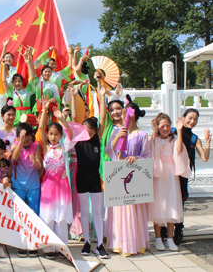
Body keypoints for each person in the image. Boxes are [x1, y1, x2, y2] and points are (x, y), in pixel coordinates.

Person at [105, 96, 151, 257]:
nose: (121, 114)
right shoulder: (117, 131)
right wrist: (117, 137)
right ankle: (118, 243)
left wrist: (136, 158)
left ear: (133, 115)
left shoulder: (142, 135)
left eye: (124, 112)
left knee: (133, 211)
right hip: (119, 175)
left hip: (134, 178)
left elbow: (147, 156)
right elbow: (109, 151)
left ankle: (135, 243)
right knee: (119, 211)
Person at [38, 99, 78, 260]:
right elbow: (41, 127)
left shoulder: (65, 148)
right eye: (51, 134)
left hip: (62, 188)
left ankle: (62, 247)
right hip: (48, 187)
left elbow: (72, 133)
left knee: (61, 218)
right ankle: (48, 247)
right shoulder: (46, 148)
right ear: (47, 136)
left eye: (56, 134)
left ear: (60, 135)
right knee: (47, 216)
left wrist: (61, 118)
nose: (53, 137)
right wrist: (45, 110)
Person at [74, 84, 109, 259]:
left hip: (95, 179)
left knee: (97, 212)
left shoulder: (97, 139)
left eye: (91, 131)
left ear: (96, 131)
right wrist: (73, 97)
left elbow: (102, 116)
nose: (88, 133)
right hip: (81, 179)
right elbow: (73, 117)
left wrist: (102, 97)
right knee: (84, 212)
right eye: (85, 130)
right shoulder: (78, 139)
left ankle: (100, 244)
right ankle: (87, 242)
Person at [149, 113, 191, 252]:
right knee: (158, 205)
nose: (165, 128)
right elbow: (150, 150)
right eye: (162, 126)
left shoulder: (173, 140)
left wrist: (179, 130)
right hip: (158, 175)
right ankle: (158, 238)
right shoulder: (153, 138)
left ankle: (170, 238)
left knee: (172, 203)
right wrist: (154, 131)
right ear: (158, 126)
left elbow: (179, 150)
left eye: (168, 125)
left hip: (171, 175)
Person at [171, 109, 211, 245]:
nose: (192, 121)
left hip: (183, 174)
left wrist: (207, 142)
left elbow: (204, 158)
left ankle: (178, 230)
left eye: (195, 119)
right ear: (183, 117)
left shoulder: (195, 138)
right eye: (190, 118)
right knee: (167, 199)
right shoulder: (172, 131)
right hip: (169, 172)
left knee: (180, 202)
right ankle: (164, 229)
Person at [10, 122, 42, 257]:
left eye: (29, 139)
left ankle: (33, 243)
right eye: (24, 139)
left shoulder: (36, 146)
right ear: (18, 137)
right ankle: (22, 243)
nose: (27, 142)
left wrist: (34, 161)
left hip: (33, 185)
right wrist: (20, 142)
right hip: (18, 185)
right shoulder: (14, 145)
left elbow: (39, 166)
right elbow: (14, 157)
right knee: (20, 215)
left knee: (34, 215)